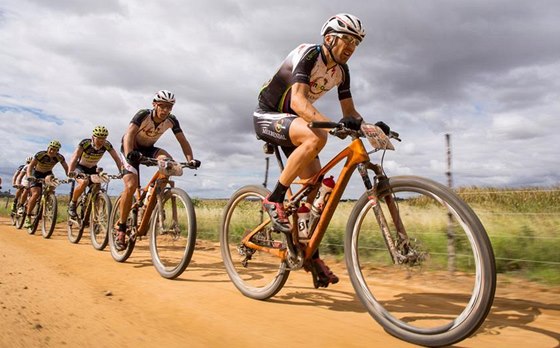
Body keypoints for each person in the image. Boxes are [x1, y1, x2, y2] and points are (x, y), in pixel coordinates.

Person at [253, 13, 389, 288]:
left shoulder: (341, 71)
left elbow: (350, 113)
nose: (352, 48)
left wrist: (371, 128)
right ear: (329, 39)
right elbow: (298, 100)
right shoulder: (309, 54)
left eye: (357, 43)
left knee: (312, 191)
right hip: (270, 115)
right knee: (317, 137)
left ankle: (308, 254)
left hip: (298, 126)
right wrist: (329, 127)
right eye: (347, 40)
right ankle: (274, 199)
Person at [115, 89, 199, 250]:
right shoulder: (143, 114)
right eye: (162, 106)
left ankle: (152, 199)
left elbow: (183, 141)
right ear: (155, 104)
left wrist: (191, 160)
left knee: (170, 164)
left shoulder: (172, 120)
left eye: (169, 107)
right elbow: (129, 135)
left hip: (149, 149)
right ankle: (121, 228)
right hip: (130, 147)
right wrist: (129, 154)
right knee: (131, 186)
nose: (165, 110)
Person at [67, 126, 123, 219]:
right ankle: (73, 204)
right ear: (93, 137)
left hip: (93, 168)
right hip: (80, 167)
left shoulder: (107, 145)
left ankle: (95, 219)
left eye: (103, 139)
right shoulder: (85, 143)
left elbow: (117, 158)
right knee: (84, 182)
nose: (101, 141)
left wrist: (122, 171)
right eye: (99, 138)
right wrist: (71, 172)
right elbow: (74, 157)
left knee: (97, 187)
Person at [24, 140, 69, 228]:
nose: (52, 151)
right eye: (51, 149)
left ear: (57, 151)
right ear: (48, 148)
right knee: (36, 193)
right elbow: (30, 166)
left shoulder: (59, 157)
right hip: (36, 173)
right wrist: (29, 175)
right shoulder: (40, 154)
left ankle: (49, 199)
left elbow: (66, 167)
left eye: (55, 150)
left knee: (52, 182)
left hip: (48, 173)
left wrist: (69, 176)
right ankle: (28, 216)